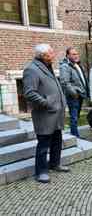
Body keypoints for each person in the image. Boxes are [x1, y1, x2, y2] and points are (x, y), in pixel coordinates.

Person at [23, 44, 70, 184]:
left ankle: (55, 164)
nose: (53, 55)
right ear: (42, 55)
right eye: (50, 53)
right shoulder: (31, 69)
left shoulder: (47, 66)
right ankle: (41, 171)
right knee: (43, 145)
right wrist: (47, 103)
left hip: (56, 113)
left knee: (57, 140)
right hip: (45, 114)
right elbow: (29, 93)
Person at [59, 47, 89, 138]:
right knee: (74, 117)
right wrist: (74, 93)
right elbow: (65, 82)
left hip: (79, 94)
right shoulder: (65, 66)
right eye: (73, 54)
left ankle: (75, 134)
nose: (76, 56)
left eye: (77, 54)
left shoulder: (77, 65)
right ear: (68, 55)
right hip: (73, 96)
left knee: (76, 116)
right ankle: (75, 136)